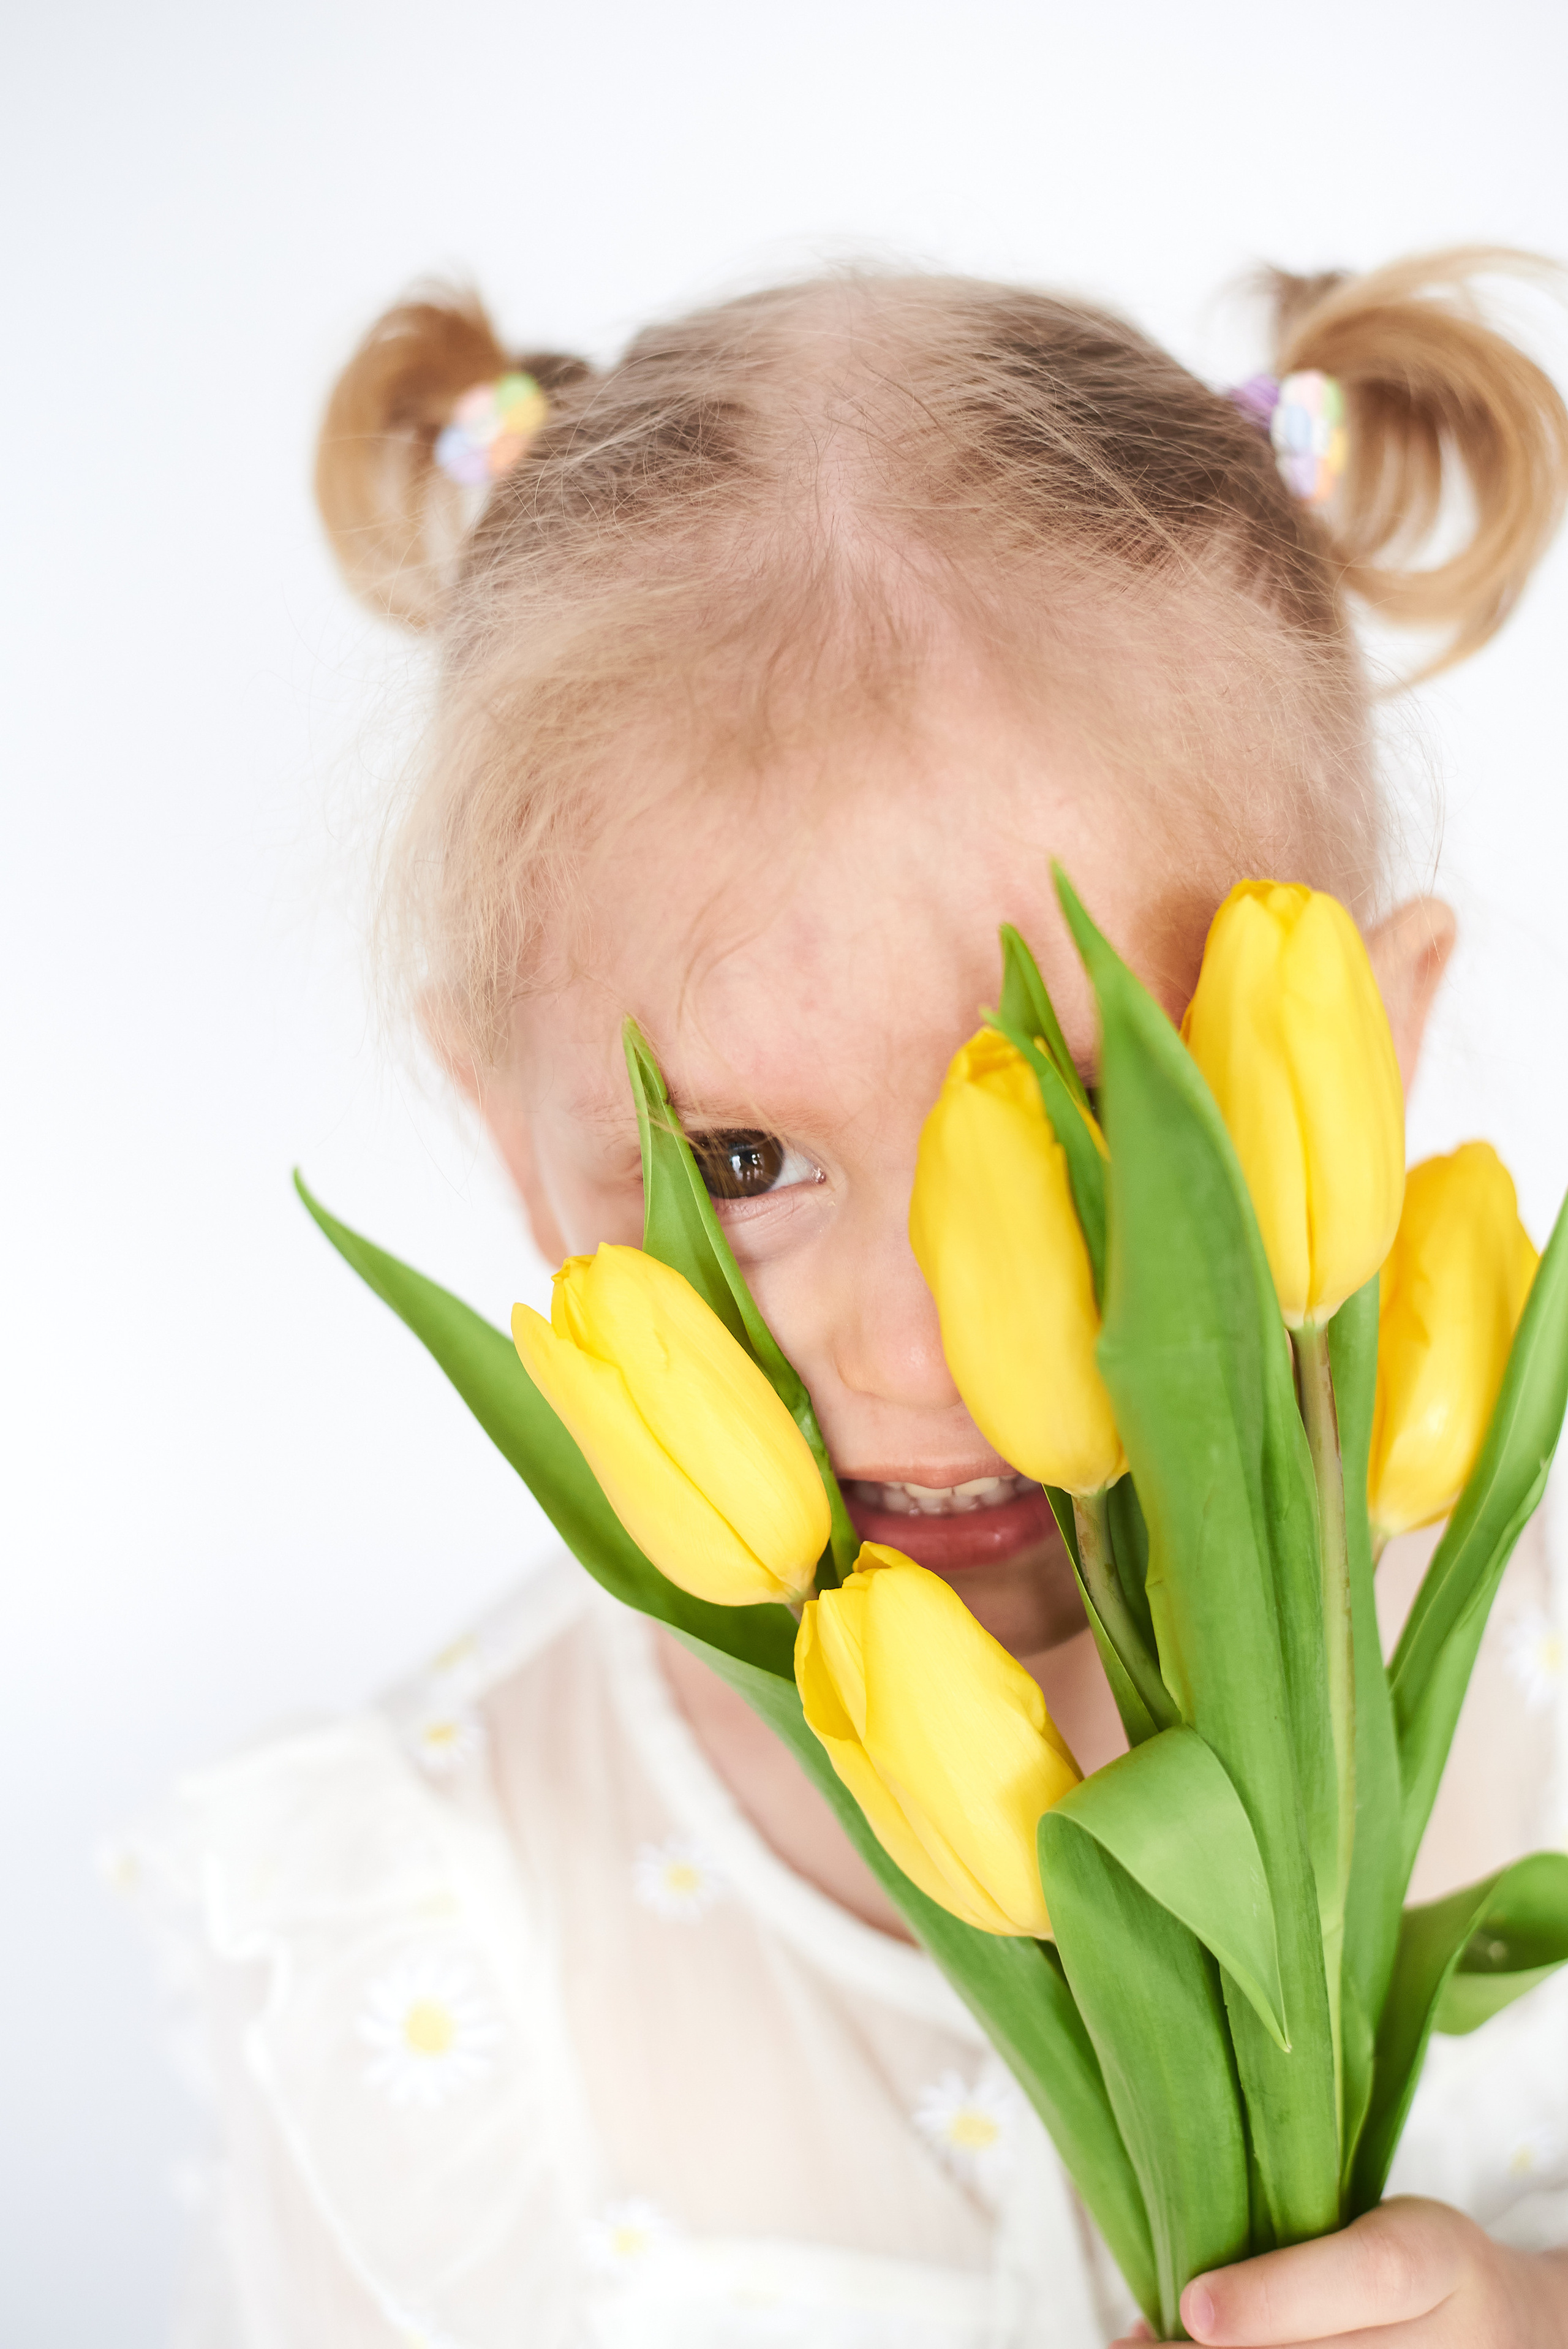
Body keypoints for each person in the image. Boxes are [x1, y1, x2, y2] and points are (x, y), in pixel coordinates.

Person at [132, 253, 1568, 2347]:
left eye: (1099, 1129)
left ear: (1360, 1054)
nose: (924, 1348)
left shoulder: (1539, 1671)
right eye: (738, 1163)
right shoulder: (446, 1924)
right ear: (521, 1147)